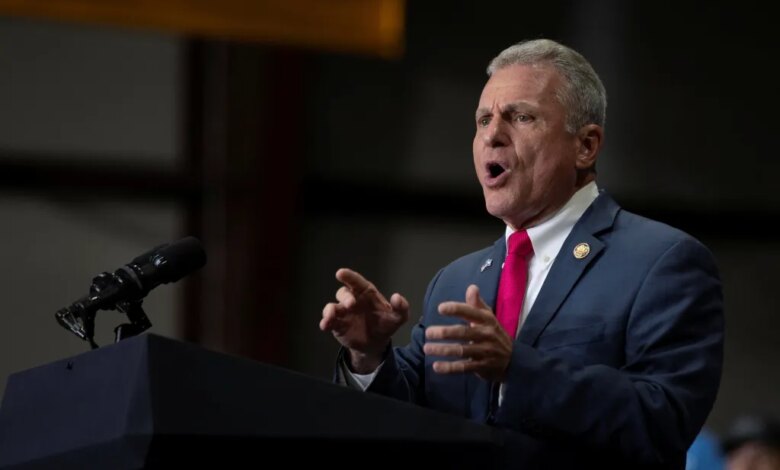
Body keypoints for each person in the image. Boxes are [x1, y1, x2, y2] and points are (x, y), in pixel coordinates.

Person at [320, 38, 724, 468]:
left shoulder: (662, 262)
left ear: (586, 146)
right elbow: (412, 416)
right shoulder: (456, 281)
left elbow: (664, 420)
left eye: (522, 117)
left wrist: (518, 370)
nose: (492, 135)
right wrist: (369, 356)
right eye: (482, 120)